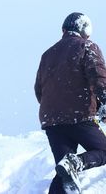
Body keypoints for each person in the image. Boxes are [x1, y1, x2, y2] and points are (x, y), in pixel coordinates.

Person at [34, 12, 106, 193]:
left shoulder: (47, 54)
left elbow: (39, 90)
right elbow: (99, 78)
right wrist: (104, 102)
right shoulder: (86, 46)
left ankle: (71, 167)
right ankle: (77, 161)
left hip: (52, 122)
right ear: (85, 30)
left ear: (64, 30)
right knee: (103, 152)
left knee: (65, 172)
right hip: (79, 116)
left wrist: (54, 110)